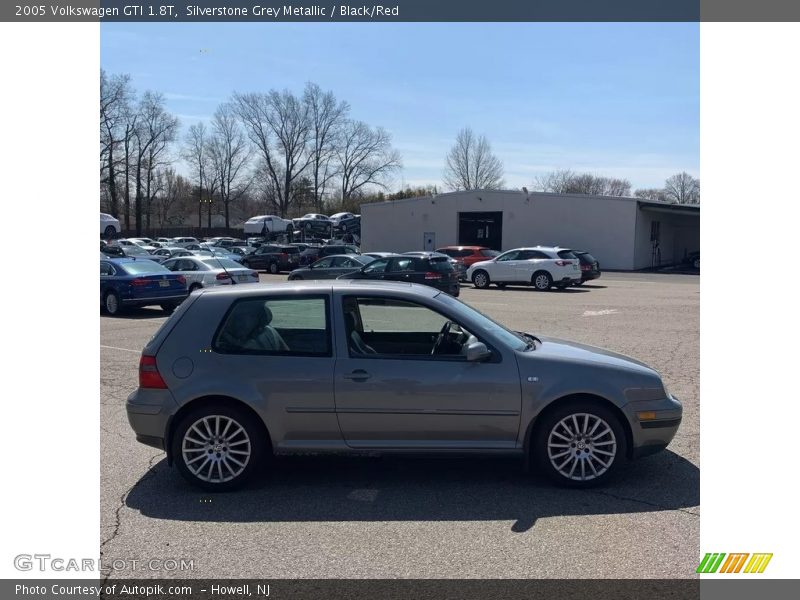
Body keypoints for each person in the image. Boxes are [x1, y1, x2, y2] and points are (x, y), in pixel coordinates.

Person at [218, 302, 289, 352]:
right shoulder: (269, 332)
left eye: (251, 316)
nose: (243, 322)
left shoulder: (269, 332)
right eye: (239, 316)